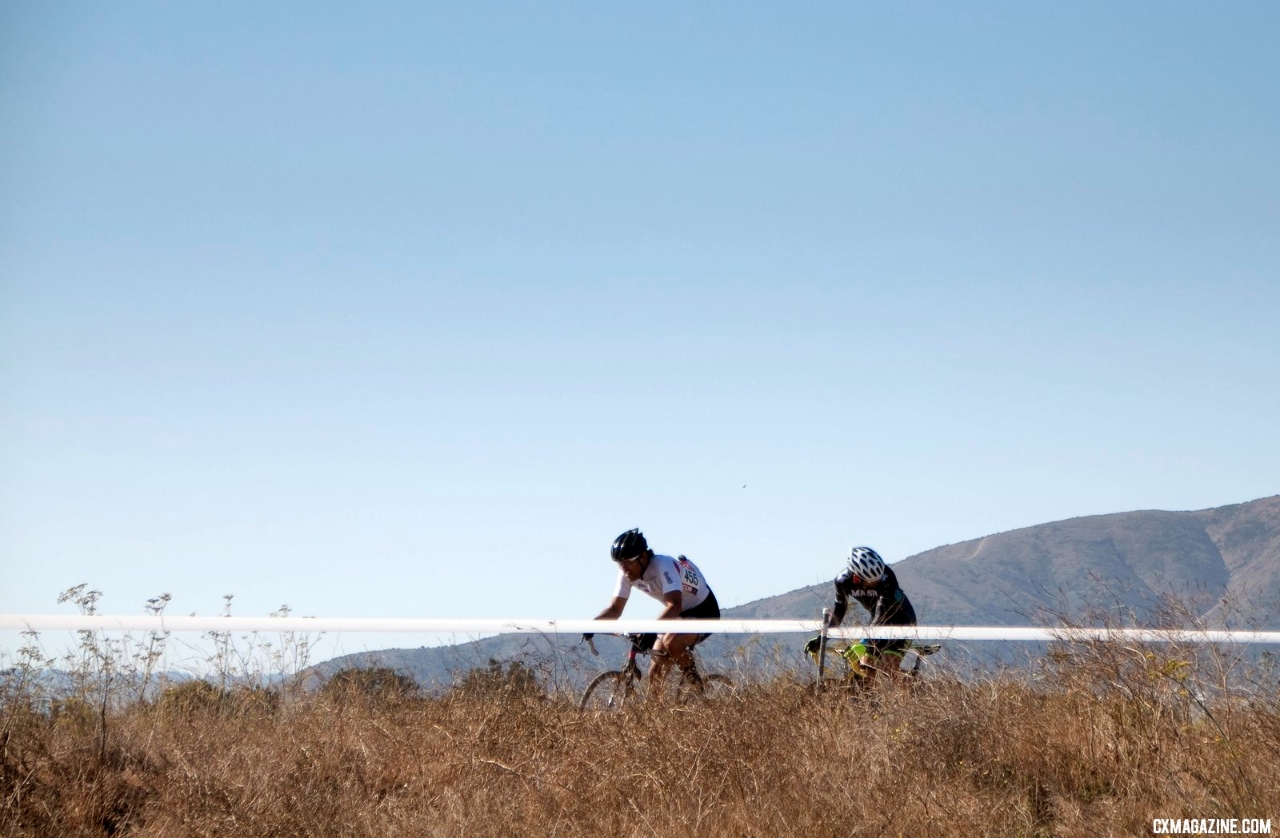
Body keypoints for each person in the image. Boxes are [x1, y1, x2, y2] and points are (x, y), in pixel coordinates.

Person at [585, 528, 720, 697]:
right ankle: (659, 718)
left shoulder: (664, 565)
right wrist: (592, 624)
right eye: (620, 564)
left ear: (642, 557)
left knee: (671, 641)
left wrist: (650, 629)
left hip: (704, 610)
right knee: (655, 672)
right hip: (678, 616)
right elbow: (615, 609)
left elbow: (674, 605)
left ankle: (697, 688)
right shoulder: (626, 574)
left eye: (627, 562)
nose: (623, 569)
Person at [806, 546, 917, 682]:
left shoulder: (887, 578)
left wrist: (865, 643)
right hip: (877, 624)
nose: (876, 582)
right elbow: (839, 611)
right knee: (865, 667)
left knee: (888, 667)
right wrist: (822, 638)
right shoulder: (843, 581)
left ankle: (919, 691)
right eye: (872, 581)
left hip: (902, 622)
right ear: (857, 577)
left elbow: (882, 613)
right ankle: (868, 701)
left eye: (877, 579)